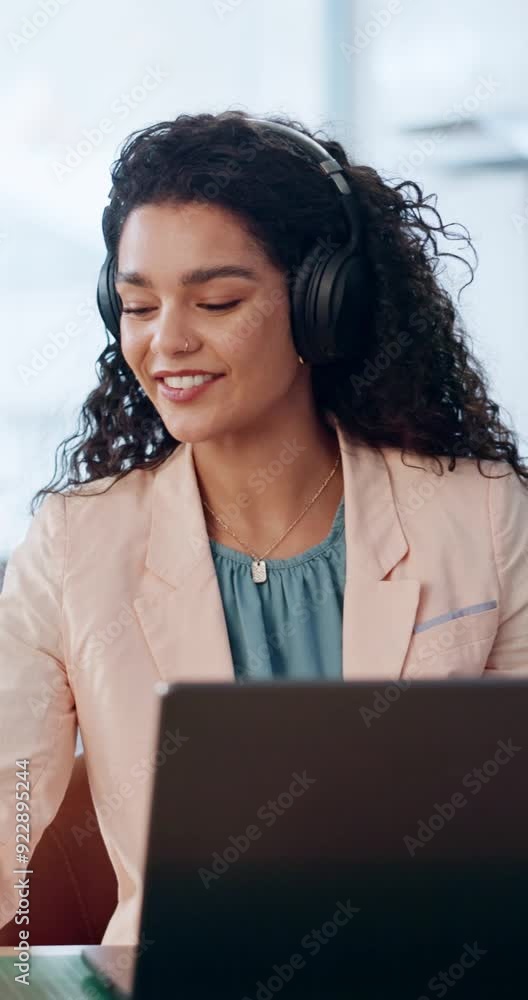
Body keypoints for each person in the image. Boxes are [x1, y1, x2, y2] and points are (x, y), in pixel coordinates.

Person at [1, 110, 527, 946]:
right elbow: (7, 807)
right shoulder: (74, 545)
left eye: (216, 301)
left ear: (324, 308)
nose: (167, 342)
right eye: (138, 306)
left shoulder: (484, 515)